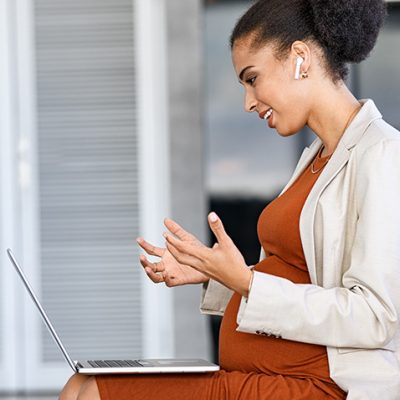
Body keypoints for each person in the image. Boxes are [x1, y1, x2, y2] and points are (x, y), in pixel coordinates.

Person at [59, 0, 400, 398]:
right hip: (279, 371)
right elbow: (296, 275)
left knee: (90, 391)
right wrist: (214, 273)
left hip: (324, 385)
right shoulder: (317, 156)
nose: (248, 102)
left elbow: (377, 316)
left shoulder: (382, 153)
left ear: (300, 58)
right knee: (83, 384)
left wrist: (246, 281)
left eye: (252, 79)